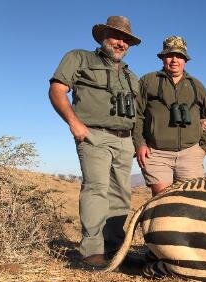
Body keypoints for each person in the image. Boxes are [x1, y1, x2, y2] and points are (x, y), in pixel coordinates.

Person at [49, 16, 141, 268]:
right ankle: (92, 252)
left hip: (124, 141)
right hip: (94, 135)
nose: (121, 43)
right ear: (103, 36)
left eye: (126, 40)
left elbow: (138, 112)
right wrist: (74, 123)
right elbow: (57, 90)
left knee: (121, 195)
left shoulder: (131, 76)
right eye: (116, 36)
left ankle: (114, 248)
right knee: (97, 189)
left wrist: (136, 141)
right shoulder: (79, 58)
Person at [134, 36, 206, 195]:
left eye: (179, 56)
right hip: (157, 155)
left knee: (192, 204)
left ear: (185, 60)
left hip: (191, 154)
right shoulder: (148, 81)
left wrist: (203, 148)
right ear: (163, 57)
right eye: (170, 55)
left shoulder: (196, 85)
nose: (174, 59)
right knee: (163, 202)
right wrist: (140, 144)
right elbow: (137, 115)